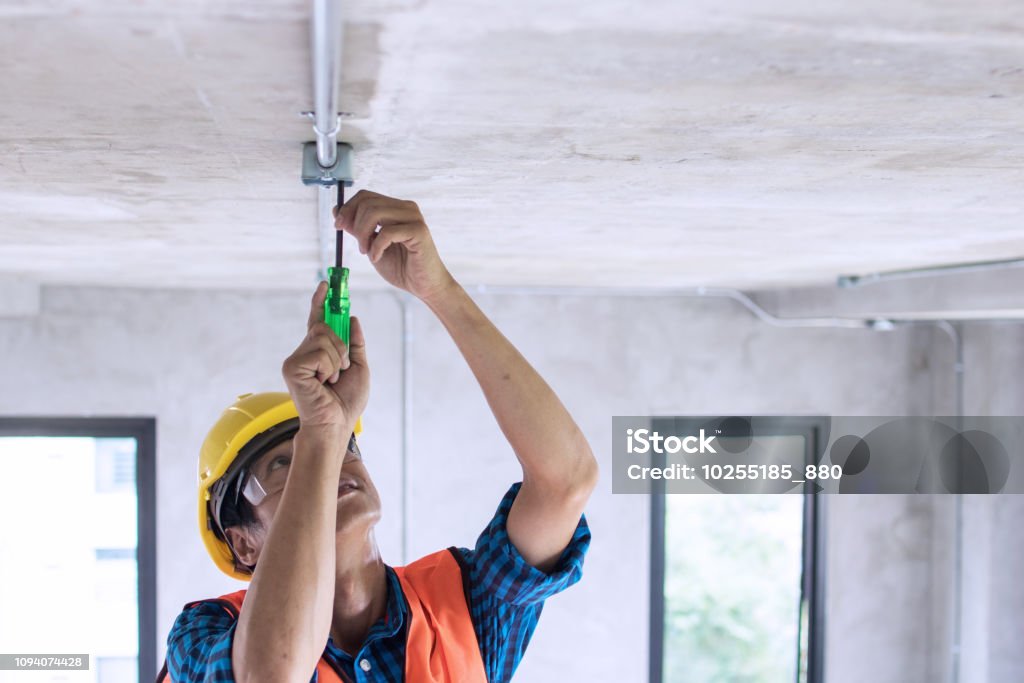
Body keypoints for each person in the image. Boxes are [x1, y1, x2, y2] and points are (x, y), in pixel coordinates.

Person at [162, 190, 598, 682]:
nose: (335, 463)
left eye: (347, 445)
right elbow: (270, 673)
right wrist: (324, 433)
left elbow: (565, 481)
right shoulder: (202, 633)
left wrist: (438, 289)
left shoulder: (465, 606)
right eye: (283, 465)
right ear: (243, 544)